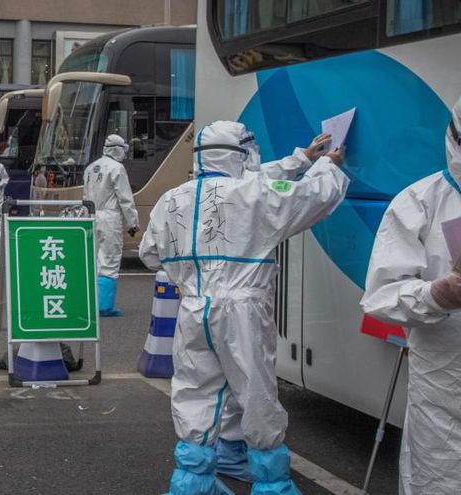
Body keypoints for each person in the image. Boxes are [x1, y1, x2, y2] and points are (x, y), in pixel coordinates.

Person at [139, 120, 348, 495]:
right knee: (256, 396)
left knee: (196, 391)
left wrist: (300, 158)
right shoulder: (256, 193)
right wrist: (327, 165)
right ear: (243, 152)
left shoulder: (172, 198)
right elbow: (311, 197)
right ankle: (271, 485)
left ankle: (191, 485)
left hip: (192, 308)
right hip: (242, 309)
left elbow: (150, 254)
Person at [361, 96, 461, 495]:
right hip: (447, 386)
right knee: (440, 479)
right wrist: (437, 295)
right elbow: (381, 296)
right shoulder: (420, 202)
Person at [83, 134, 139, 317]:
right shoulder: (117, 168)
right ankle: (104, 306)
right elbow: (125, 198)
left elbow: (85, 197)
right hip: (109, 218)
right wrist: (133, 223)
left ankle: (90, 301)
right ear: (117, 149)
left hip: (91, 217)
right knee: (109, 261)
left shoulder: (91, 168)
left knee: (93, 260)